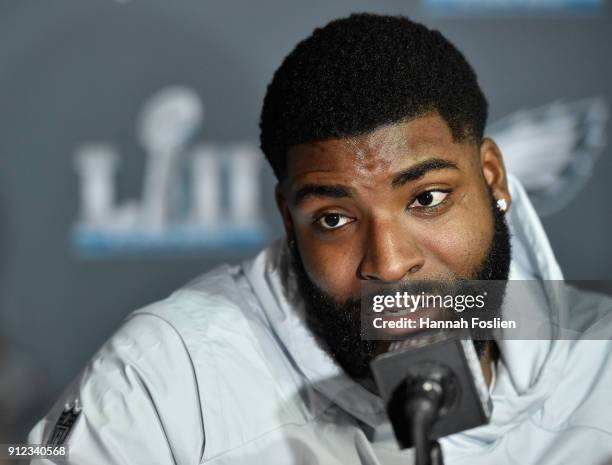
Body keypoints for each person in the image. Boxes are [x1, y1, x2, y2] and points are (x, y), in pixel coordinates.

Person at [29, 13, 612, 464]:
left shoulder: (601, 364)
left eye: (427, 199)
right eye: (334, 218)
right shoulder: (159, 373)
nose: (388, 264)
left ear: (492, 178)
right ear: (290, 219)